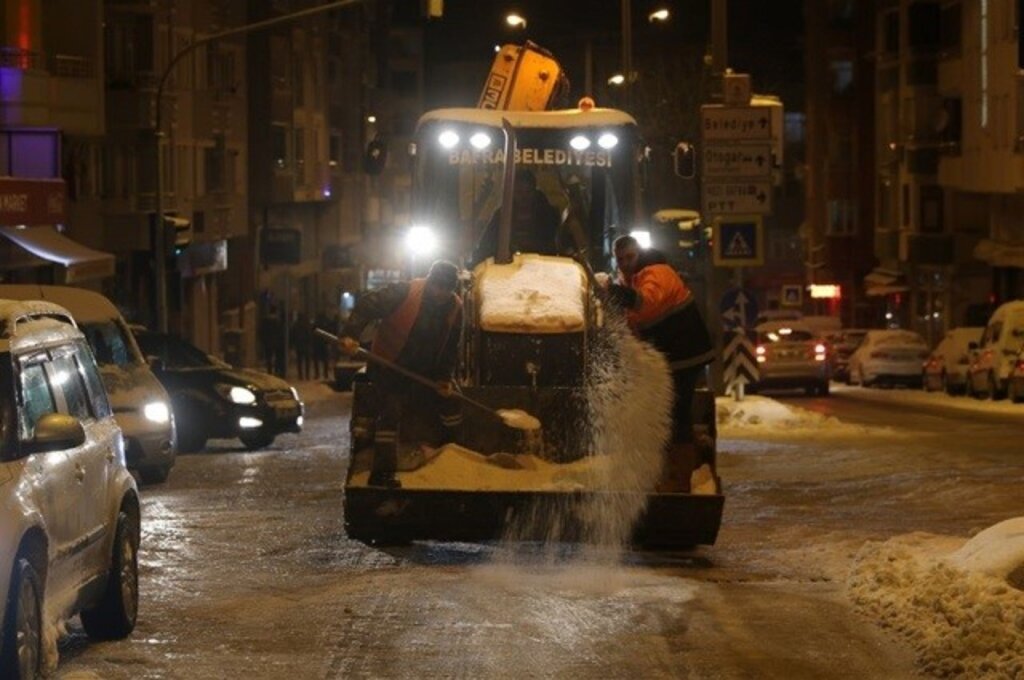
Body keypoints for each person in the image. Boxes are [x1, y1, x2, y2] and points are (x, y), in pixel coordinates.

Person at [337, 260, 464, 488]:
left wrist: (444, 378)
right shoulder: (405, 292)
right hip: (389, 363)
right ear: (430, 282)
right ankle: (382, 474)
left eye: (446, 290)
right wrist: (351, 334)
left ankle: (453, 456)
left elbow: (450, 348)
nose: (440, 294)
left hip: (425, 370)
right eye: (437, 287)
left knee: (452, 400)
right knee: (391, 409)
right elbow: (367, 304)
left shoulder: (456, 308)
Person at [606, 235, 715, 492]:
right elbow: (634, 323)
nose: (625, 263)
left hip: (685, 354)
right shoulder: (632, 279)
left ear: (640, 254)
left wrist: (614, 293)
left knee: (676, 413)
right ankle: (674, 468)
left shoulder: (657, 272)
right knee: (668, 413)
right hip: (672, 356)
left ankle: (680, 478)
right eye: (620, 259)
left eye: (630, 257)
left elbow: (646, 304)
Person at [474, 168, 561, 262]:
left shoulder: (548, 217)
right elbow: (485, 247)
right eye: (519, 192)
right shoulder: (501, 216)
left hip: (545, 267)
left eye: (528, 192)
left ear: (534, 191)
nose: (524, 197)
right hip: (505, 268)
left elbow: (557, 248)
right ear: (512, 193)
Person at [291, 311, 313, 380]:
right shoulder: (307, 324)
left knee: (299, 361)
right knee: (307, 361)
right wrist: (310, 343)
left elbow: (293, 335)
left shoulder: (296, 325)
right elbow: (309, 334)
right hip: (306, 345)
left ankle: (300, 375)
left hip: (299, 345)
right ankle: (307, 375)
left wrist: (293, 344)